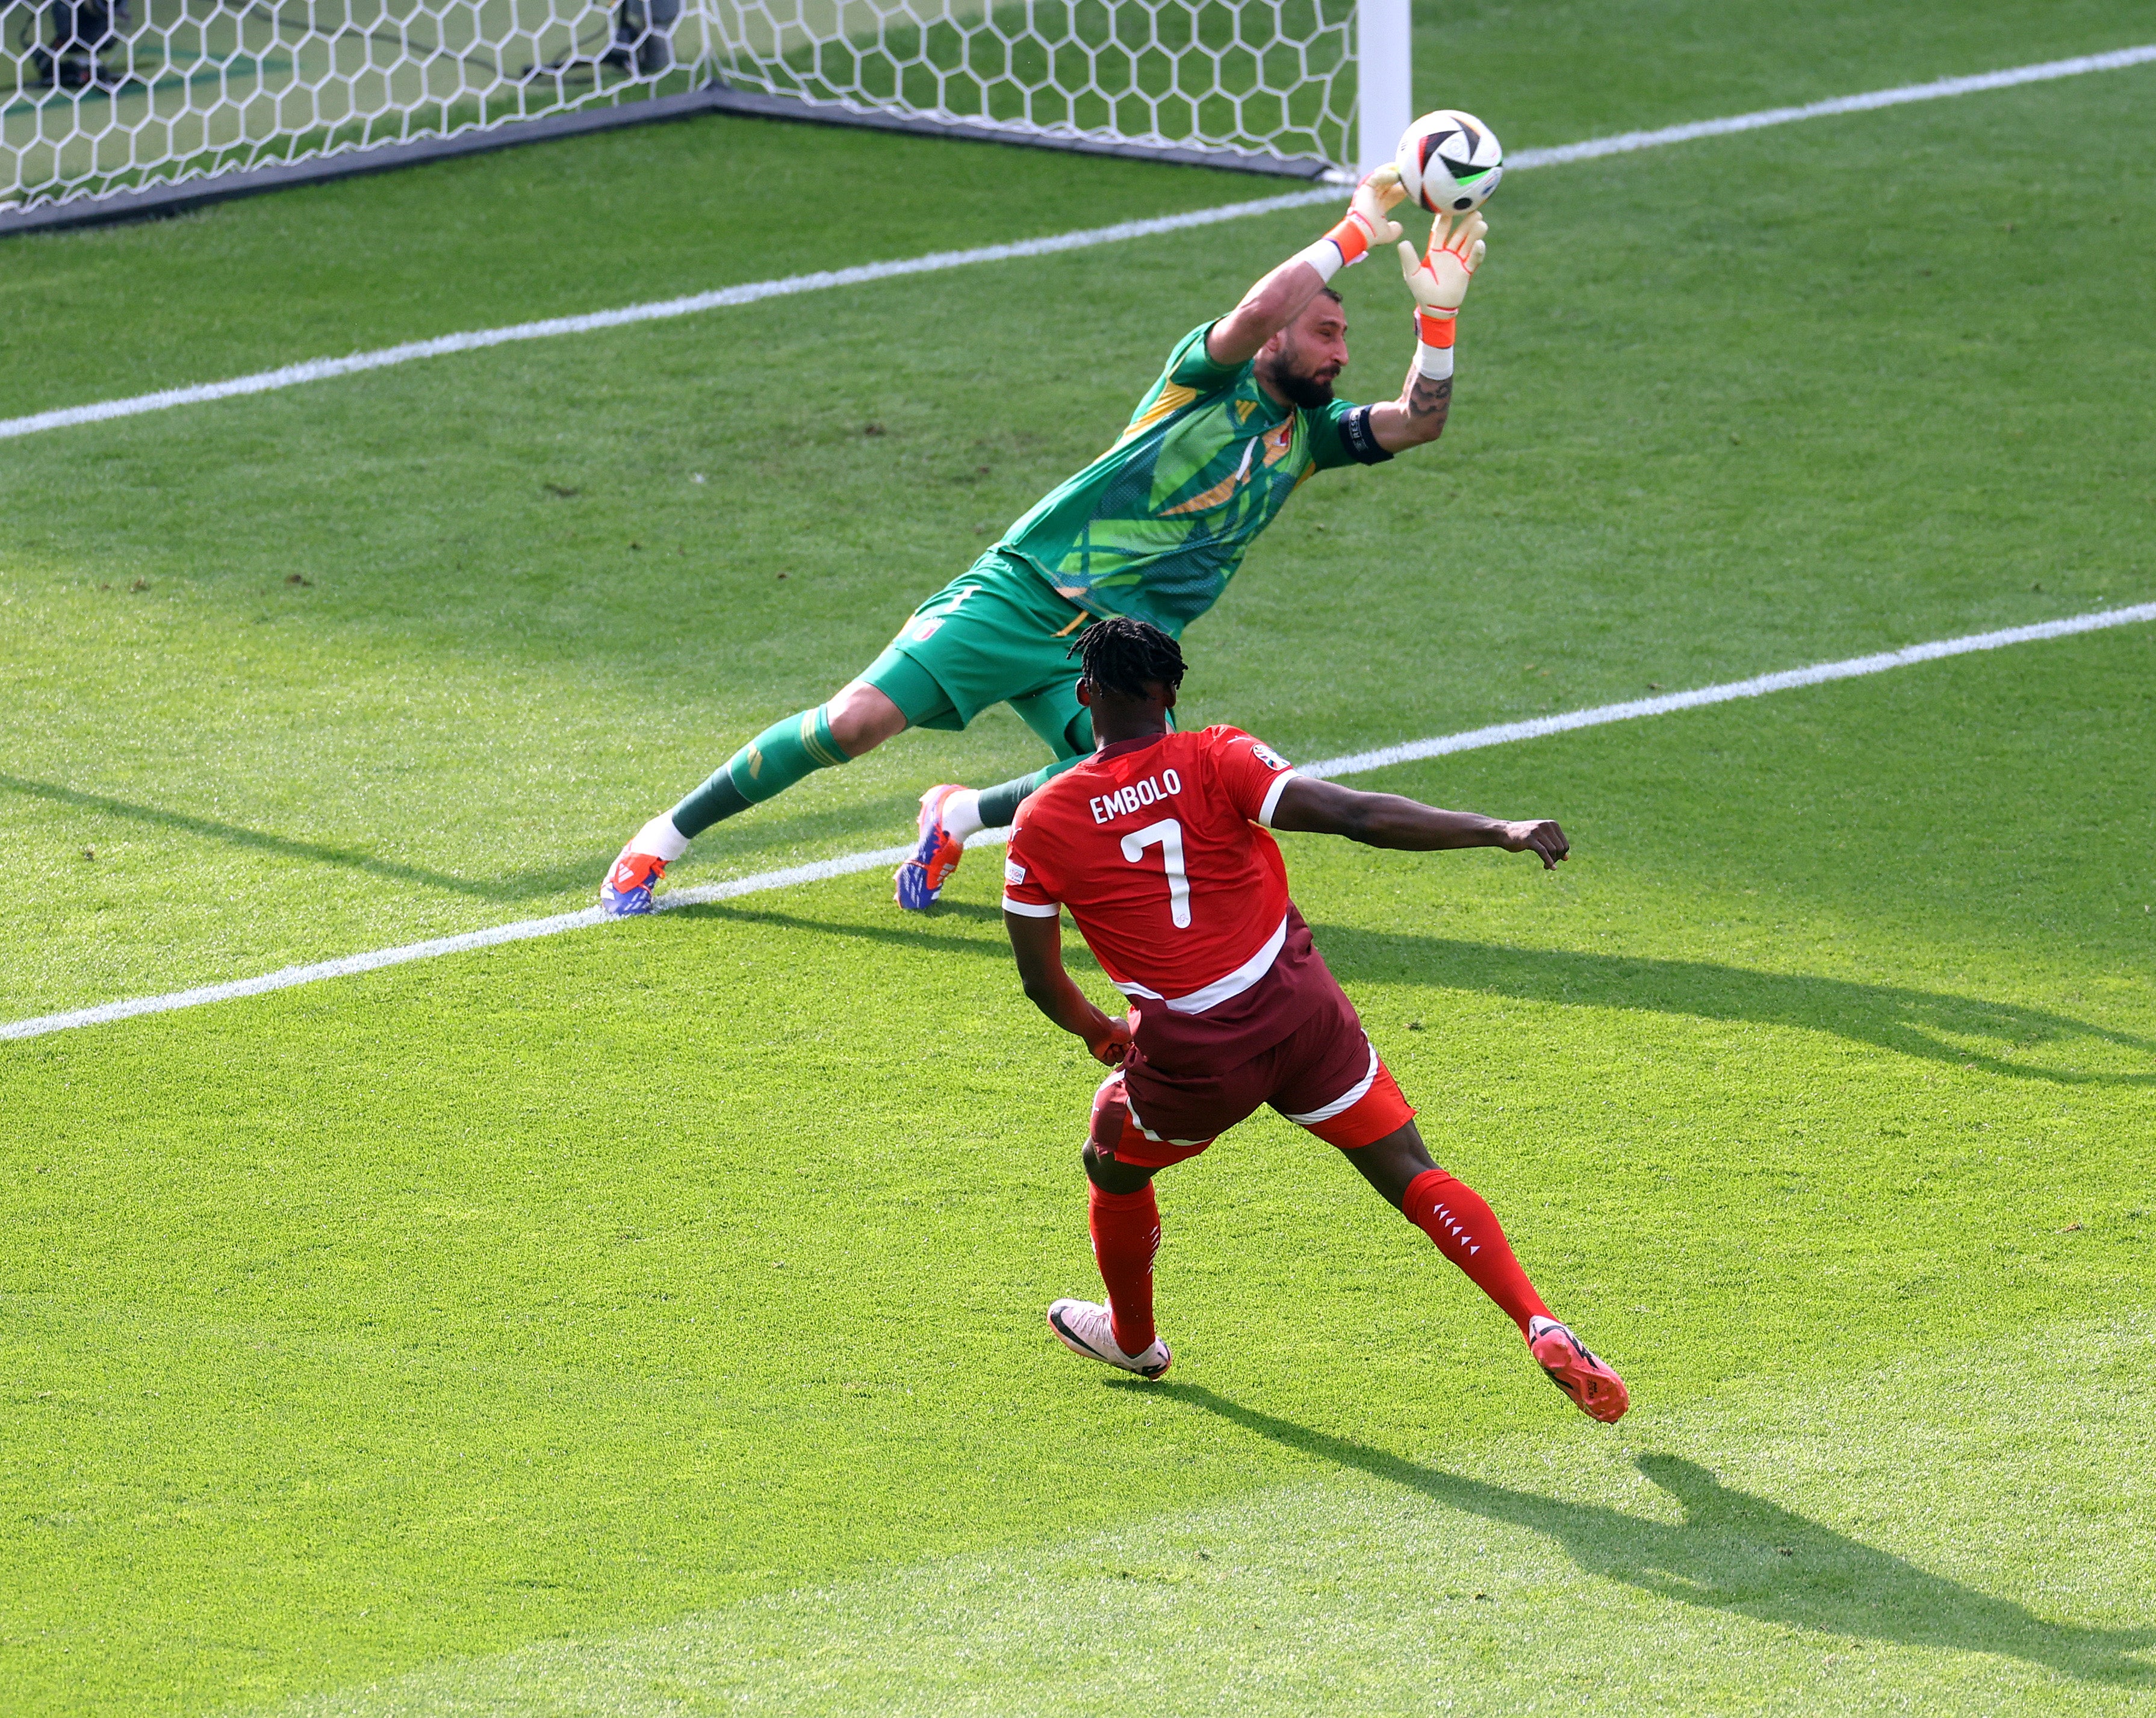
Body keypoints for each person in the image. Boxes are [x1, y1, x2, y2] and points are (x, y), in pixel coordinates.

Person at [598, 168, 1488, 916]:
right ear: (1280, 338)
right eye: (1327, 331)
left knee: (1122, 779)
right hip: (1024, 593)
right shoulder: (1201, 380)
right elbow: (1258, 306)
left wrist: (1437, 326)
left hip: (1113, 649)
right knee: (856, 722)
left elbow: (1417, 423)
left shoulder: (1312, 438)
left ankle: (957, 817)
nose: (1340, 352)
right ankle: (661, 838)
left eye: (1345, 339)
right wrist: (1355, 233)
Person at [1001, 617, 1628, 1424]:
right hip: (1303, 1014)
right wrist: (1494, 830)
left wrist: (1098, 1030)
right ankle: (1536, 1317)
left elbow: (1037, 974)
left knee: (1111, 1157)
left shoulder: (1044, 820)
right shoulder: (1217, 754)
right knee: (1408, 1166)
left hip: (1195, 1054)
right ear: (1169, 694)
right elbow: (1357, 815)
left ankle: (1133, 1337)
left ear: (1086, 695)